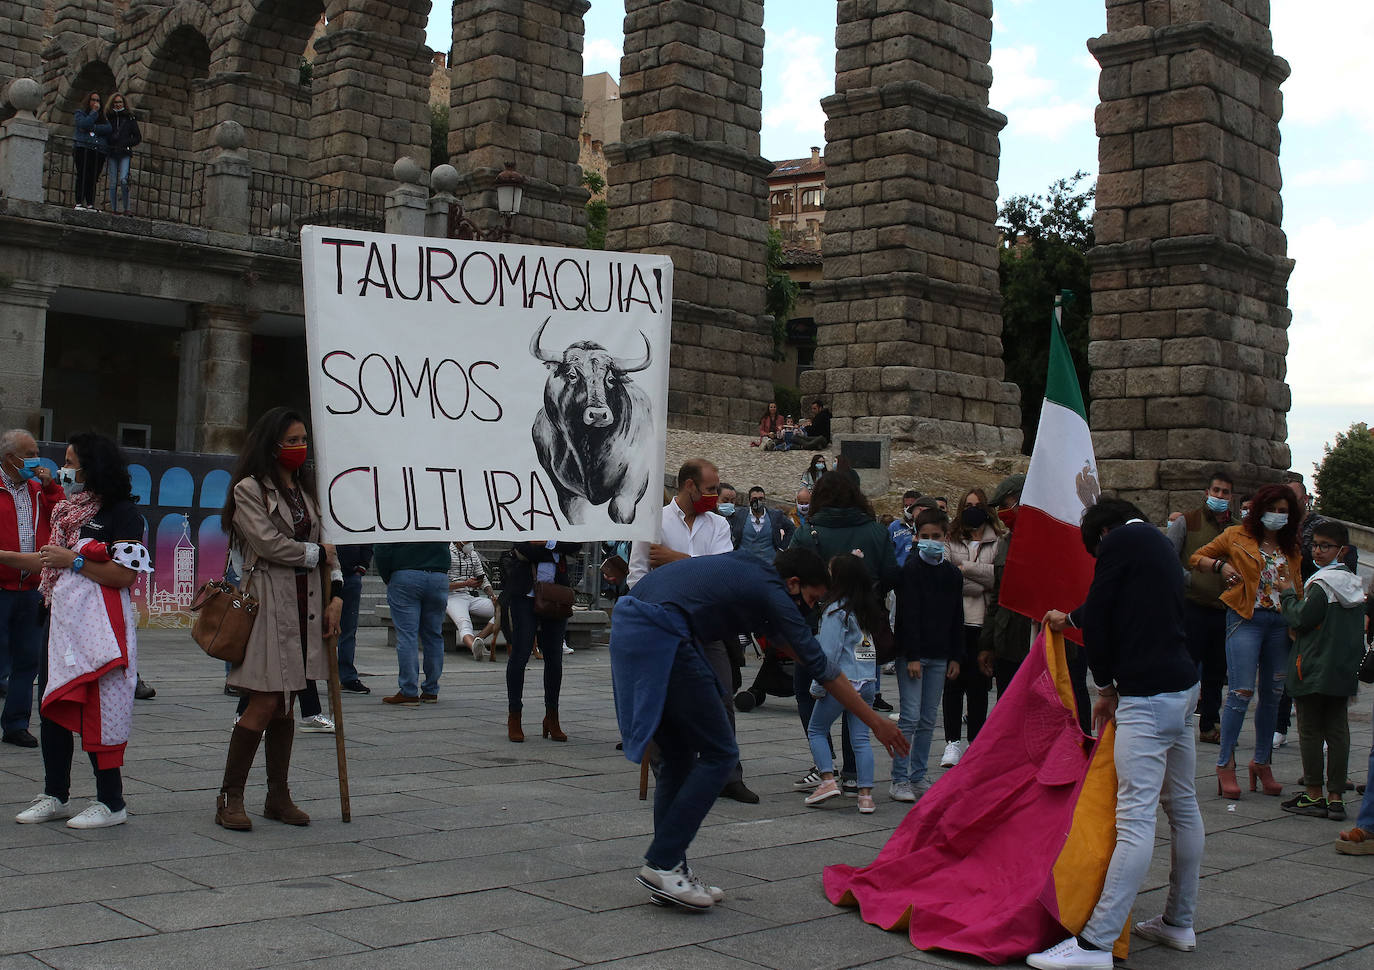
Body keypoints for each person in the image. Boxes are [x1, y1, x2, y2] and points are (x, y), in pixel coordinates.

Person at [610, 547, 908, 910]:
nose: (811, 608)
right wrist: (875, 721)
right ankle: (661, 862)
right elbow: (822, 667)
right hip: (663, 632)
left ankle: (671, 871)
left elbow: (803, 654)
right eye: (812, 599)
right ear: (794, 583)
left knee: (677, 757)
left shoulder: (754, 570)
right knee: (721, 752)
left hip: (634, 627)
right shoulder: (772, 592)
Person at [1029, 498, 1202, 970]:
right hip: (1183, 686)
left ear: (1102, 534)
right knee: (1183, 806)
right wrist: (1074, 617)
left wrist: (1103, 687)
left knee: (1134, 818)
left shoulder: (1119, 541)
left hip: (1146, 697)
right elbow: (1116, 602)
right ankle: (1179, 921)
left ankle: (1096, 943)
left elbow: (1103, 617)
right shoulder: (1157, 543)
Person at [214, 407, 343, 831]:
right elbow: (268, 543)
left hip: (308, 602)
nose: (300, 448)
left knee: (288, 701)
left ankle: (277, 794)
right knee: (266, 697)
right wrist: (314, 556)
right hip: (269, 599)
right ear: (271, 444)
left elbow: (330, 543)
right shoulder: (249, 490)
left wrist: (336, 595)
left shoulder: (308, 490)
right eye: (292, 440)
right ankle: (230, 795)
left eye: (304, 439)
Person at [14, 433, 151, 829]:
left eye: (72, 461)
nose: (64, 468)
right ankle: (54, 793)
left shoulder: (123, 514)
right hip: (58, 620)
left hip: (100, 630)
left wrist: (73, 561)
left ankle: (111, 801)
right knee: (53, 705)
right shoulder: (66, 511)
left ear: (94, 466)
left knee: (100, 708)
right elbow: (47, 560)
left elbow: (123, 575)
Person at [629, 460, 754, 801]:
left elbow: (721, 575)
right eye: (710, 489)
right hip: (664, 625)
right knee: (661, 701)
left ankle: (729, 773)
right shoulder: (653, 522)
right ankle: (669, 774)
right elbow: (638, 576)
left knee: (722, 697)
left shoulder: (718, 525)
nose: (715, 496)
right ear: (689, 486)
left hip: (706, 625)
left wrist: (674, 559)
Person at [1188, 482, 1303, 799]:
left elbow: (1298, 585)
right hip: (1245, 617)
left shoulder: (1291, 545)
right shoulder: (1236, 535)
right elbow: (1196, 557)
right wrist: (1221, 567)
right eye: (1273, 510)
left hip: (1281, 622)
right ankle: (1225, 764)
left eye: (1284, 511)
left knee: (1274, 693)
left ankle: (1262, 762)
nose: (1278, 516)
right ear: (1261, 509)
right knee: (1240, 692)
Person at [789, 472, 899, 792]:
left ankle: (825, 765)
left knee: (810, 696)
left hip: (814, 626)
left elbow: (790, 573)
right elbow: (892, 574)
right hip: (865, 627)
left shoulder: (808, 533)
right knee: (860, 697)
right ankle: (854, 772)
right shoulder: (877, 532)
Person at [1276, 520, 1365, 820]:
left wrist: (1287, 594)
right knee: (1338, 732)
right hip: (1342, 670)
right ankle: (1337, 796)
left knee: (1311, 731)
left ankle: (1314, 793)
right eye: (1314, 544)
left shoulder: (1322, 584)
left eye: (1325, 546)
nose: (1318, 550)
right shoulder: (1354, 584)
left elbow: (1300, 619)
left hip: (1312, 667)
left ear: (1342, 550)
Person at [889, 507, 963, 802]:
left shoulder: (951, 574)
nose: (931, 540)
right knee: (909, 716)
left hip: (940, 654)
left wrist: (956, 655)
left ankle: (918, 775)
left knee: (929, 718)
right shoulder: (911, 570)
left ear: (945, 537)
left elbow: (956, 615)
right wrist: (913, 655)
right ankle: (899, 778)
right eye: (926, 536)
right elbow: (908, 616)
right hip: (913, 655)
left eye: (937, 536)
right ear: (917, 537)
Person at [805, 554, 886, 813]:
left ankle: (827, 779)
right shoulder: (866, 608)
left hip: (841, 682)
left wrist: (819, 686)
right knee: (860, 739)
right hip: (867, 680)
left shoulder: (834, 610)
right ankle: (865, 795)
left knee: (816, 729)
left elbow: (828, 653)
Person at [0, 430, 63, 748]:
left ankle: (16, 723)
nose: (36, 459)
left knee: (28, 659)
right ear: (11, 458)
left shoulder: (40, 490)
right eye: (30, 453)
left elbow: (63, 518)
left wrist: (51, 487)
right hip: (1, 585)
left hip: (32, 589)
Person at [1165, 470, 1234, 744]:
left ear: (1231, 496)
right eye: (1215, 490)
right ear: (1207, 493)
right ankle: (1177, 720)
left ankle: (1209, 724)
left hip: (1223, 609)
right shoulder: (1186, 521)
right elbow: (1169, 557)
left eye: (1225, 492)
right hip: (1192, 606)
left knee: (1217, 671)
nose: (1219, 496)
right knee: (1187, 665)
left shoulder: (1236, 528)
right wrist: (1189, 580)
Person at [939, 488, 999, 769]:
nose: (972, 509)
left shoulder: (998, 540)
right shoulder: (951, 538)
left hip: (984, 624)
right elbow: (949, 579)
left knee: (978, 686)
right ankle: (952, 742)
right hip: (956, 622)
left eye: (977, 505)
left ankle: (976, 741)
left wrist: (964, 568)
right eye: (968, 505)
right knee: (953, 684)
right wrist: (978, 576)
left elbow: (999, 579)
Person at [503, 540, 579, 741]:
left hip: (556, 594)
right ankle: (514, 716)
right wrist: (555, 551)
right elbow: (522, 549)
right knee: (520, 654)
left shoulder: (563, 517)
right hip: (524, 595)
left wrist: (547, 543)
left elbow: (575, 545)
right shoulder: (524, 515)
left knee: (554, 657)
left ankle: (552, 717)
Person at [976, 474, 1033, 698]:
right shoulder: (1006, 543)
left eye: (1005, 505)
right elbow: (997, 598)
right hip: (1007, 644)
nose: (1001, 512)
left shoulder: (1049, 543)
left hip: (1039, 644)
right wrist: (987, 644)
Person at [374, 540, 450, 705]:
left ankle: (408, 691)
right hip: (438, 574)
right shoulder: (442, 515)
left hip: (405, 573)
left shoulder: (399, 514)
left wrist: (390, 576)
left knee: (407, 636)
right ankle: (431, 690)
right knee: (434, 635)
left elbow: (382, 547)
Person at [445, 541, 498, 659]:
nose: (470, 544)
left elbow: (483, 580)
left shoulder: (473, 554)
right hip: (451, 597)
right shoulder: (446, 554)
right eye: (467, 541)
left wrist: (492, 596)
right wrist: (465, 583)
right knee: (464, 622)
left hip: (470, 596)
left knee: (502, 609)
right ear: (458, 540)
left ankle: (479, 639)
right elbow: (441, 584)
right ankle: (473, 647)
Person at [336, 543, 373, 693]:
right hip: (322, 574)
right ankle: (308, 677)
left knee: (348, 630)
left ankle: (348, 677)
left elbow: (367, 540)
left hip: (349, 574)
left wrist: (361, 568)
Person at [730, 486, 795, 562]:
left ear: (765, 500)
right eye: (754, 499)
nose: (757, 501)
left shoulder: (775, 515)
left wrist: (781, 548)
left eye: (761, 499)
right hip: (743, 562)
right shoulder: (739, 514)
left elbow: (791, 528)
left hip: (769, 563)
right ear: (749, 500)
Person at [101, 92, 140, 215]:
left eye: (120, 102)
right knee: (112, 181)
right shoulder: (109, 117)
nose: (118, 104)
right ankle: (114, 209)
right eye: (116, 102)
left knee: (123, 180)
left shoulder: (129, 118)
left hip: (124, 152)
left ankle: (126, 207)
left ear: (124, 103)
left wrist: (126, 143)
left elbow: (138, 137)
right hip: (112, 152)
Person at [71, 92, 109, 210]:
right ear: (88, 101)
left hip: (98, 151)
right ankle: (79, 202)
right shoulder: (80, 113)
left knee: (93, 178)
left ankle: (90, 203)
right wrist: (93, 114)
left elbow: (108, 128)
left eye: (98, 100)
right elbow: (83, 124)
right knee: (82, 175)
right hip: (83, 148)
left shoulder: (103, 117)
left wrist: (92, 128)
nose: (95, 103)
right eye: (93, 100)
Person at [887, 490, 922, 568]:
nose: (908, 509)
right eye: (906, 506)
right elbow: (888, 552)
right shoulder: (894, 526)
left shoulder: (926, 526)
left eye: (911, 505)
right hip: (899, 571)